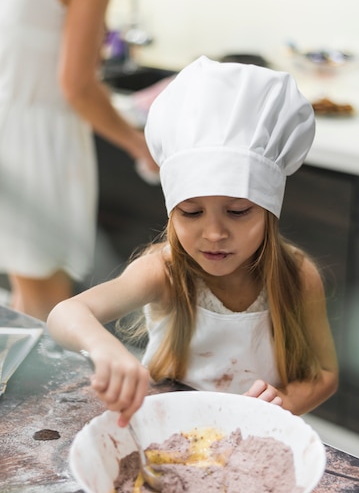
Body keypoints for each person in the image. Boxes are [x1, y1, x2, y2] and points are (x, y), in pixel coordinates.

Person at [47, 56, 339, 427]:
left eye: (237, 212)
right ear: (171, 212)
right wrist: (106, 349)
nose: (214, 234)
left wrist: (283, 402)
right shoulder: (163, 271)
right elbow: (65, 313)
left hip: (252, 435)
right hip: (165, 428)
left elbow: (324, 374)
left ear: (269, 211)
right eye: (191, 212)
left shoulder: (298, 276)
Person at [0, 0, 157, 321]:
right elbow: (77, 85)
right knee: (47, 306)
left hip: (11, 132)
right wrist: (138, 144)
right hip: (41, 145)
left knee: (28, 294)